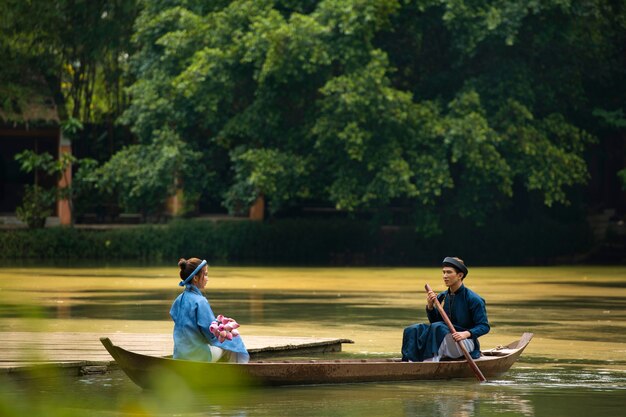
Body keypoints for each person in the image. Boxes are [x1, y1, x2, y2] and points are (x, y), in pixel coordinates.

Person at [401, 257, 489, 362]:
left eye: (449, 272)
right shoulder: (442, 296)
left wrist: (465, 334)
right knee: (414, 329)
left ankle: (430, 361)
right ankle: (410, 361)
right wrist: (430, 307)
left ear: (460, 275)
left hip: (465, 343)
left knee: (438, 328)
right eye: (443, 272)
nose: (445, 276)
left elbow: (484, 326)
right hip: (444, 336)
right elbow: (435, 323)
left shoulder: (474, 299)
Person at [170, 257, 250, 363]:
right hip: (197, 356)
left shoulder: (179, 299)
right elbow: (211, 333)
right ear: (195, 278)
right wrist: (227, 330)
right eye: (206, 274)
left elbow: (180, 319)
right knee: (233, 340)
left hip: (180, 354)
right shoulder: (200, 301)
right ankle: (236, 373)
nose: (207, 278)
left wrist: (220, 324)